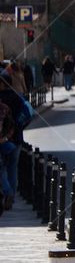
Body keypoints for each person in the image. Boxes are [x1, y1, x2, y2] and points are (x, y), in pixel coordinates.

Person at [0, 71, 32, 212]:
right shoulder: (18, 97)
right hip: (17, 139)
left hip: (3, 140)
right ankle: (11, 197)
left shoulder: (2, 99)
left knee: (1, 168)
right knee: (13, 168)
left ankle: (8, 192)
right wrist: (19, 127)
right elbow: (28, 115)